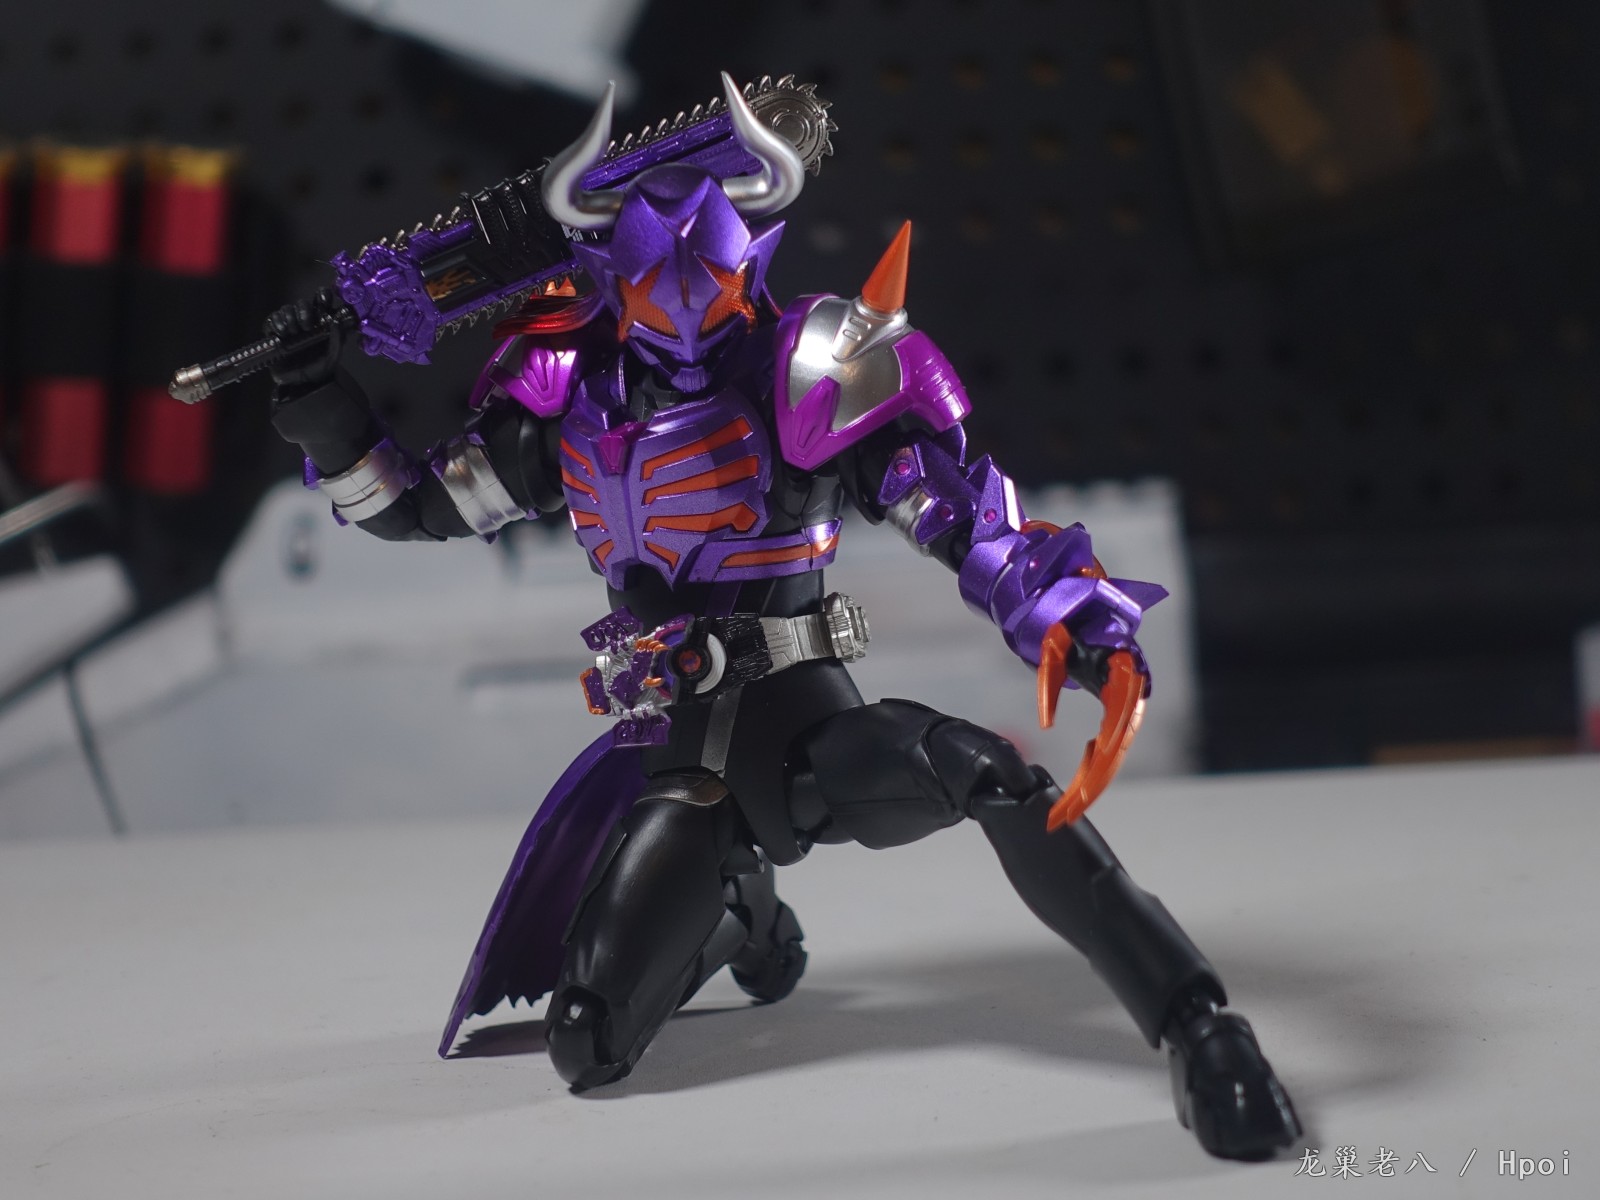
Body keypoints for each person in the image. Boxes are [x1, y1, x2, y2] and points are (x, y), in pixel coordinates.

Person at [266, 73, 1300, 1161]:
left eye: (707, 287)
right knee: (585, 1044)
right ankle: (742, 921)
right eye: (655, 290)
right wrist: (327, 415)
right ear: (609, 280)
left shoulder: (806, 369)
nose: (682, 321)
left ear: (748, 266)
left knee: (993, 776)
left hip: (813, 737)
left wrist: (1063, 613)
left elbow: (952, 508)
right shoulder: (567, 397)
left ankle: (1199, 1027)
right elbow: (417, 508)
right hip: (683, 772)